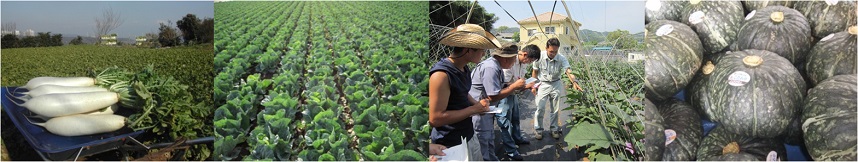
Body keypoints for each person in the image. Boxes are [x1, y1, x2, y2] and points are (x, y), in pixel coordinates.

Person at [429, 24, 498, 153]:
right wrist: (473, 109)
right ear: (468, 50)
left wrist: (477, 105)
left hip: (467, 134)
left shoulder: (464, 68)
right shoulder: (441, 75)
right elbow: (435, 118)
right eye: (481, 49)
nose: (483, 53)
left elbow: (463, 92)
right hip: (449, 143)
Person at [469, 42, 527, 161]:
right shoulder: (490, 68)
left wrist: (511, 85)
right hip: (479, 112)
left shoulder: (495, 65)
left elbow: (497, 87)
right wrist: (514, 86)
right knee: (483, 144)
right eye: (513, 59)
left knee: (489, 141)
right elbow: (492, 96)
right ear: (505, 59)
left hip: (486, 110)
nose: (513, 63)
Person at [531, 38, 583, 140]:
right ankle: (539, 130)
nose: (553, 54)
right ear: (546, 48)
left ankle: (554, 129)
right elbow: (535, 71)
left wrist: (574, 82)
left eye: (555, 51)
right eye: (551, 51)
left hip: (556, 84)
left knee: (555, 108)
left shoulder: (561, 58)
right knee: (540, 108)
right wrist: (533, 85)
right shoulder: (539, 57)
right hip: (543, 84)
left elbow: (568, 70)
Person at [496, 44, 540, 160]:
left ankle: (517, 138)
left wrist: (526, 85)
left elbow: (519, 80)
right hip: (504, 95)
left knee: (515, 118)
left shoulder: (522, 63)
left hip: (513, 94)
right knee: (505, 122)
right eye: (530, 60)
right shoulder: (510, 62)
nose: (529, 63)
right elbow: (504, 84)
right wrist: (524, 86)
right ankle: (510, 150)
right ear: (524, 54)